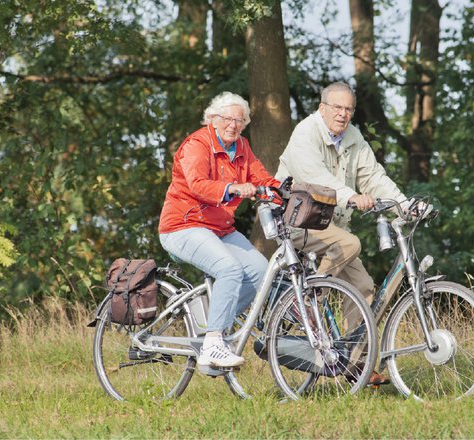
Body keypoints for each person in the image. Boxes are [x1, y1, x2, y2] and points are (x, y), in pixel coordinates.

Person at [276, 82, 412, 384]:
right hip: (296, 221)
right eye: (337, 107)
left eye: (348, 108)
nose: (343, 114)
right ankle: (306, 303)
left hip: (330, 226)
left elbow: (373, 175)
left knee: (363, 287)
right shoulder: (305, 133)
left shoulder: (353, 136)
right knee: (351, 243)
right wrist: (350, 196)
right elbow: (315, 177)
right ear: (322, 108)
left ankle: (356, 365)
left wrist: (404, 206)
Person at [159, 92, 279, 369]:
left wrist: (288, 192)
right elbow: (198, 184)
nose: (233, 125)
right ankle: (214, 342)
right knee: (229, 269)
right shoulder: (197, 144)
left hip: (219, 228)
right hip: (183, 226)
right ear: (212, 118)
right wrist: (232, 188)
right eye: (227, 118)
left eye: (240, 120)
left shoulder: (242, 147)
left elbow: (262, 178)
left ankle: (212, 331)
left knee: (260, 272)